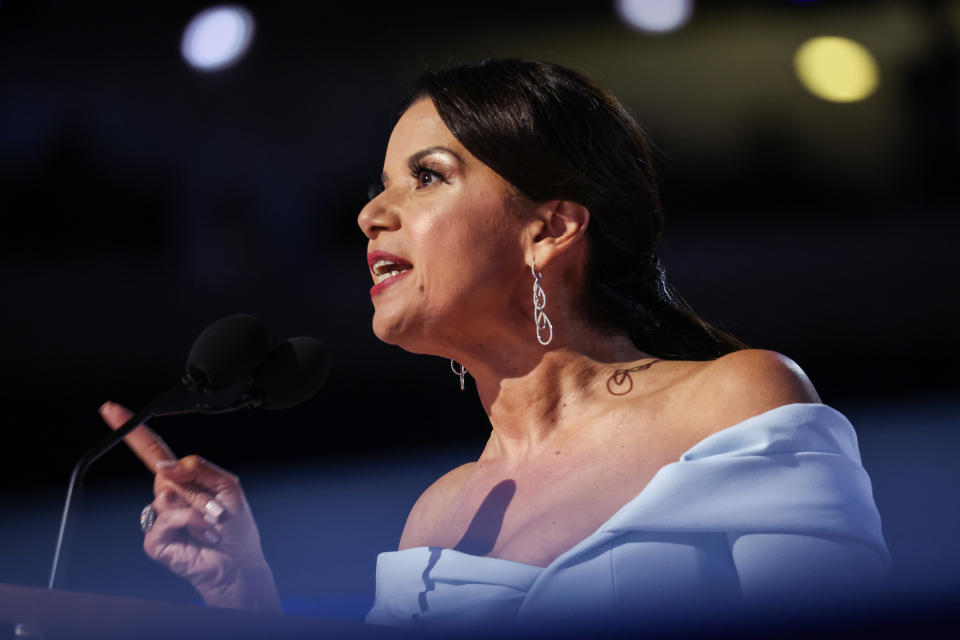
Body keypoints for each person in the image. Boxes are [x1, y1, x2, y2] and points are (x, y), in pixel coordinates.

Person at [99, 58, 889, 632]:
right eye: (379, 184)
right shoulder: (436, 516)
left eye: (427, 177)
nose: (372, 212)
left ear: (548, 229)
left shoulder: (733, 400)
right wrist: (247, 594)